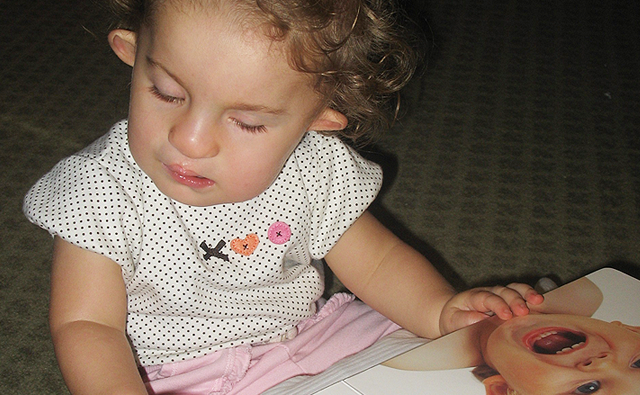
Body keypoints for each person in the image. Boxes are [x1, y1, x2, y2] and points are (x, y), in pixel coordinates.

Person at [23, 0, 542, 393]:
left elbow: (378, 263)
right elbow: (86, 325)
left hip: (313, 329)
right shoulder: (97, 190)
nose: (190, 139)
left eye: (248, 122)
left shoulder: (314, 167)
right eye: (166, 93)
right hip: (179, 373)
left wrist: (440, 310)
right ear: (132, 55)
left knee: (453, 363)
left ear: (317, 122)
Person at [384, 277, 640, 395]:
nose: (603, 362)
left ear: (504, 391)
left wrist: (435, 315)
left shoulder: (410, 359)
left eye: (588, 389)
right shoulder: (584, 295)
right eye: (637, 363)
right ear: (631, 329)